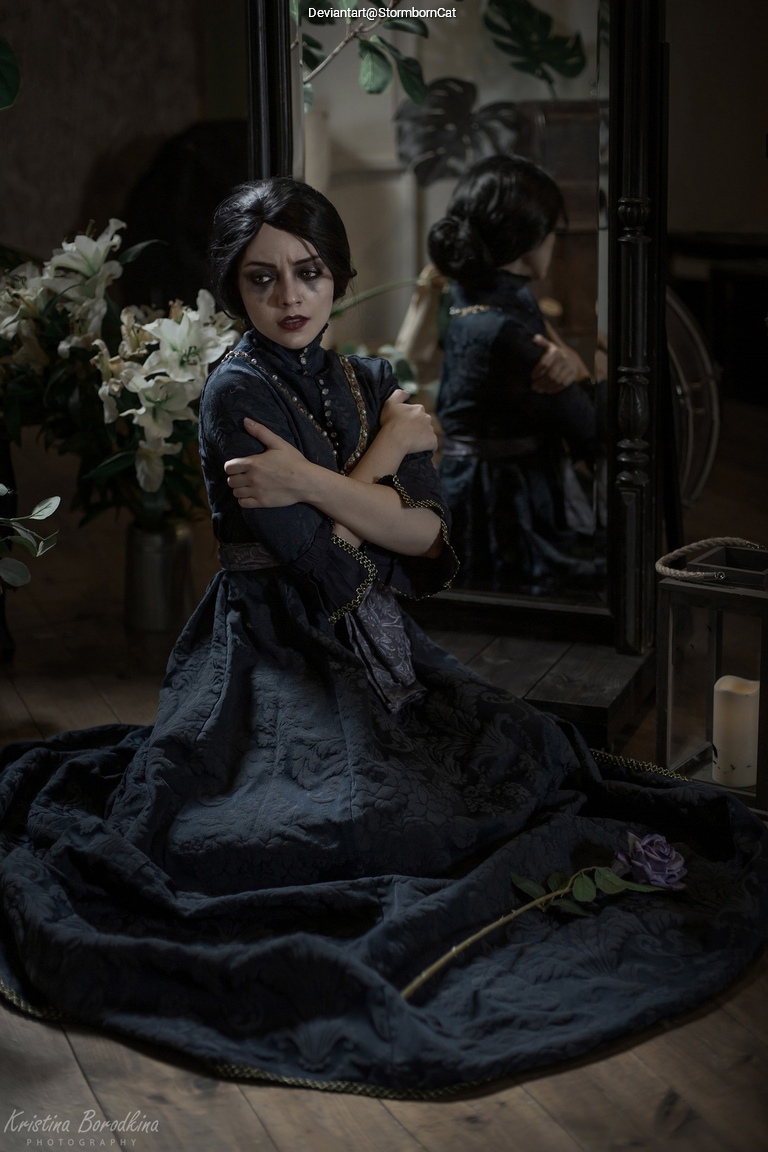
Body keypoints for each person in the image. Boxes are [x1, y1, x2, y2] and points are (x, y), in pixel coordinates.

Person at [0, 178, 765, 1097]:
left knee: (530, 755)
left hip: (375, 634)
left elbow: (431, 538)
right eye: (262, 279)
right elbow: (322, 560)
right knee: (319, 824)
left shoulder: (372, 382)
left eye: (310, 273)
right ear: (237, 290)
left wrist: (331, 478)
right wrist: (376, 469)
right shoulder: (233, 393)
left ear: (339, 276)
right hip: (268, 652)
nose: (291, 298)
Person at [428, 154, 606, 595]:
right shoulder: (505, 326)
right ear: (528, 239)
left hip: (482, 488)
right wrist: (590, 374)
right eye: (551, 232)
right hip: (505, 514)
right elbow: (593, 435)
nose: (555, 242)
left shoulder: (473, 296)